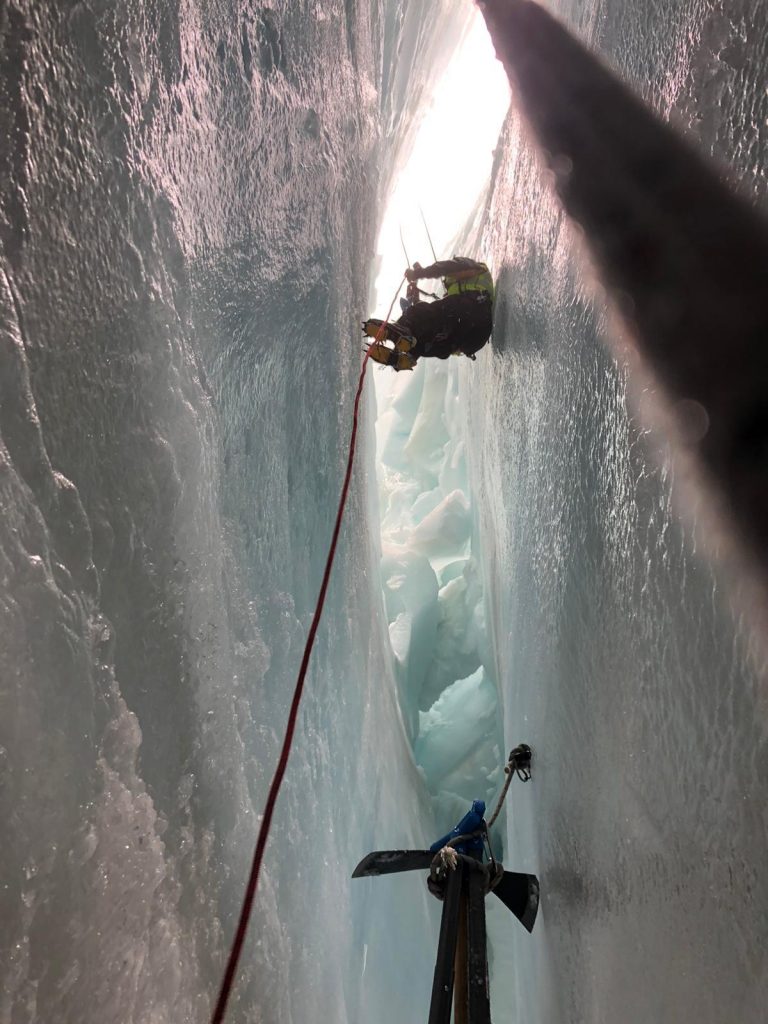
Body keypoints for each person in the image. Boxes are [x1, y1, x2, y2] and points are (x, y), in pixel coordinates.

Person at [363, 256, 495, 369]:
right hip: (474, 338)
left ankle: (402, 333)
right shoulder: (459, 298)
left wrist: (418, 273)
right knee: (429, 339)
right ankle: (407, 355)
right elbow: (432, 320)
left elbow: (446, 267)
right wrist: (414, 300)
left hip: (476, 307)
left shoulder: (477, 269)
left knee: (425, 313)